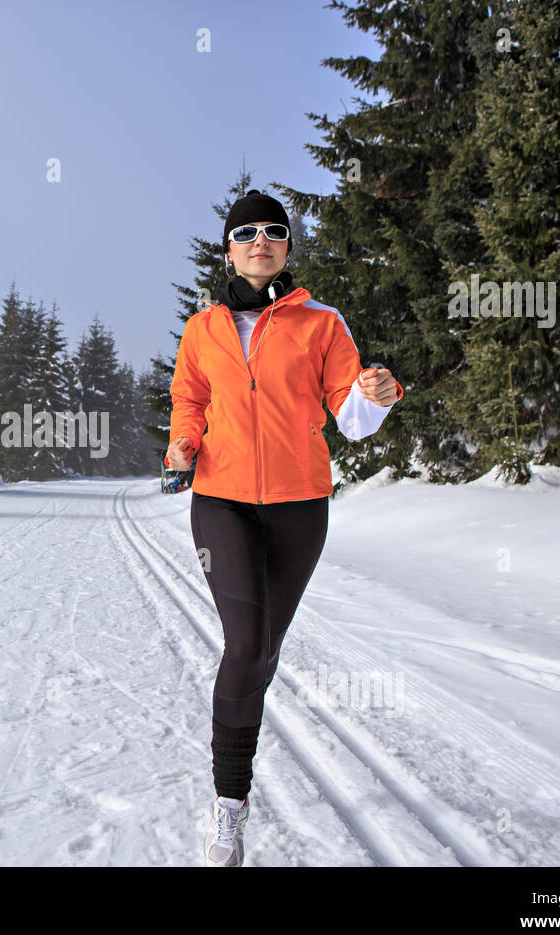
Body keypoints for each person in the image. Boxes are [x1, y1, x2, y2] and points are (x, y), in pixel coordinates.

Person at [166, 189, 403, 866]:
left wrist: (373, 396)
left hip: (301, 506)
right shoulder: (202, 329)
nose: (260, 241)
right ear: (229, 248)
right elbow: (190, 400)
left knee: (264, 650)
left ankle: (236, 749)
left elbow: (348, 411)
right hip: (221, 500)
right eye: (246, 232)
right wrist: (181, 447)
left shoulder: (322, 322)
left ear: (288, 247)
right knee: (245, 646)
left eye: (274, 231)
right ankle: (229, 806)